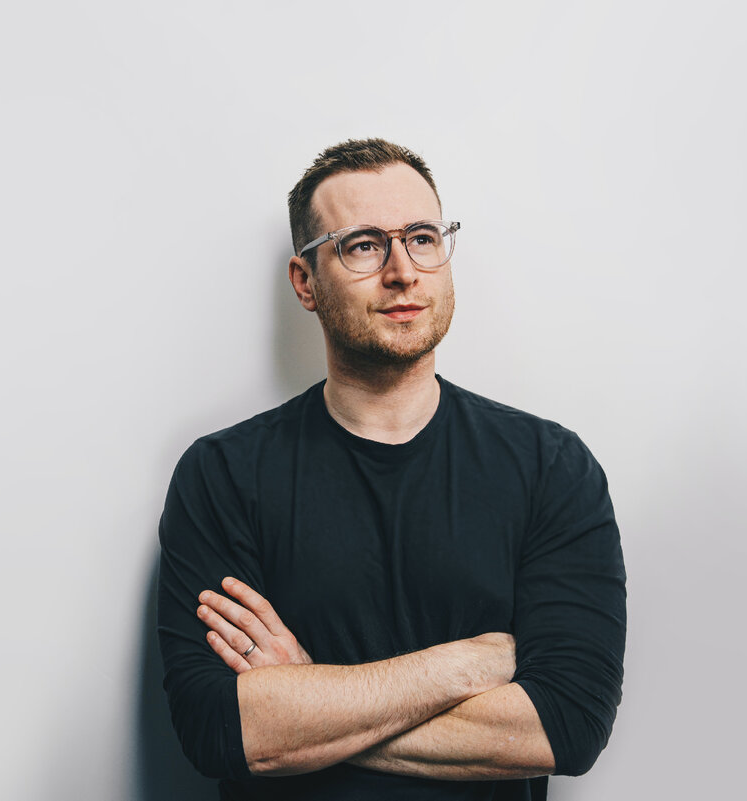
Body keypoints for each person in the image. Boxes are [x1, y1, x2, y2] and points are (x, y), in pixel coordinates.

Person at [157, 138, 626, 800]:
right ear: (305, 282)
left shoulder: (552, 467)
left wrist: (307, 700)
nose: (403, 271)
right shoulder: (223, 475)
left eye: (422, 238)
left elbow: (567, 726)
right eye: (363, 245)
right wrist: (468, 663)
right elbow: (219, 730)